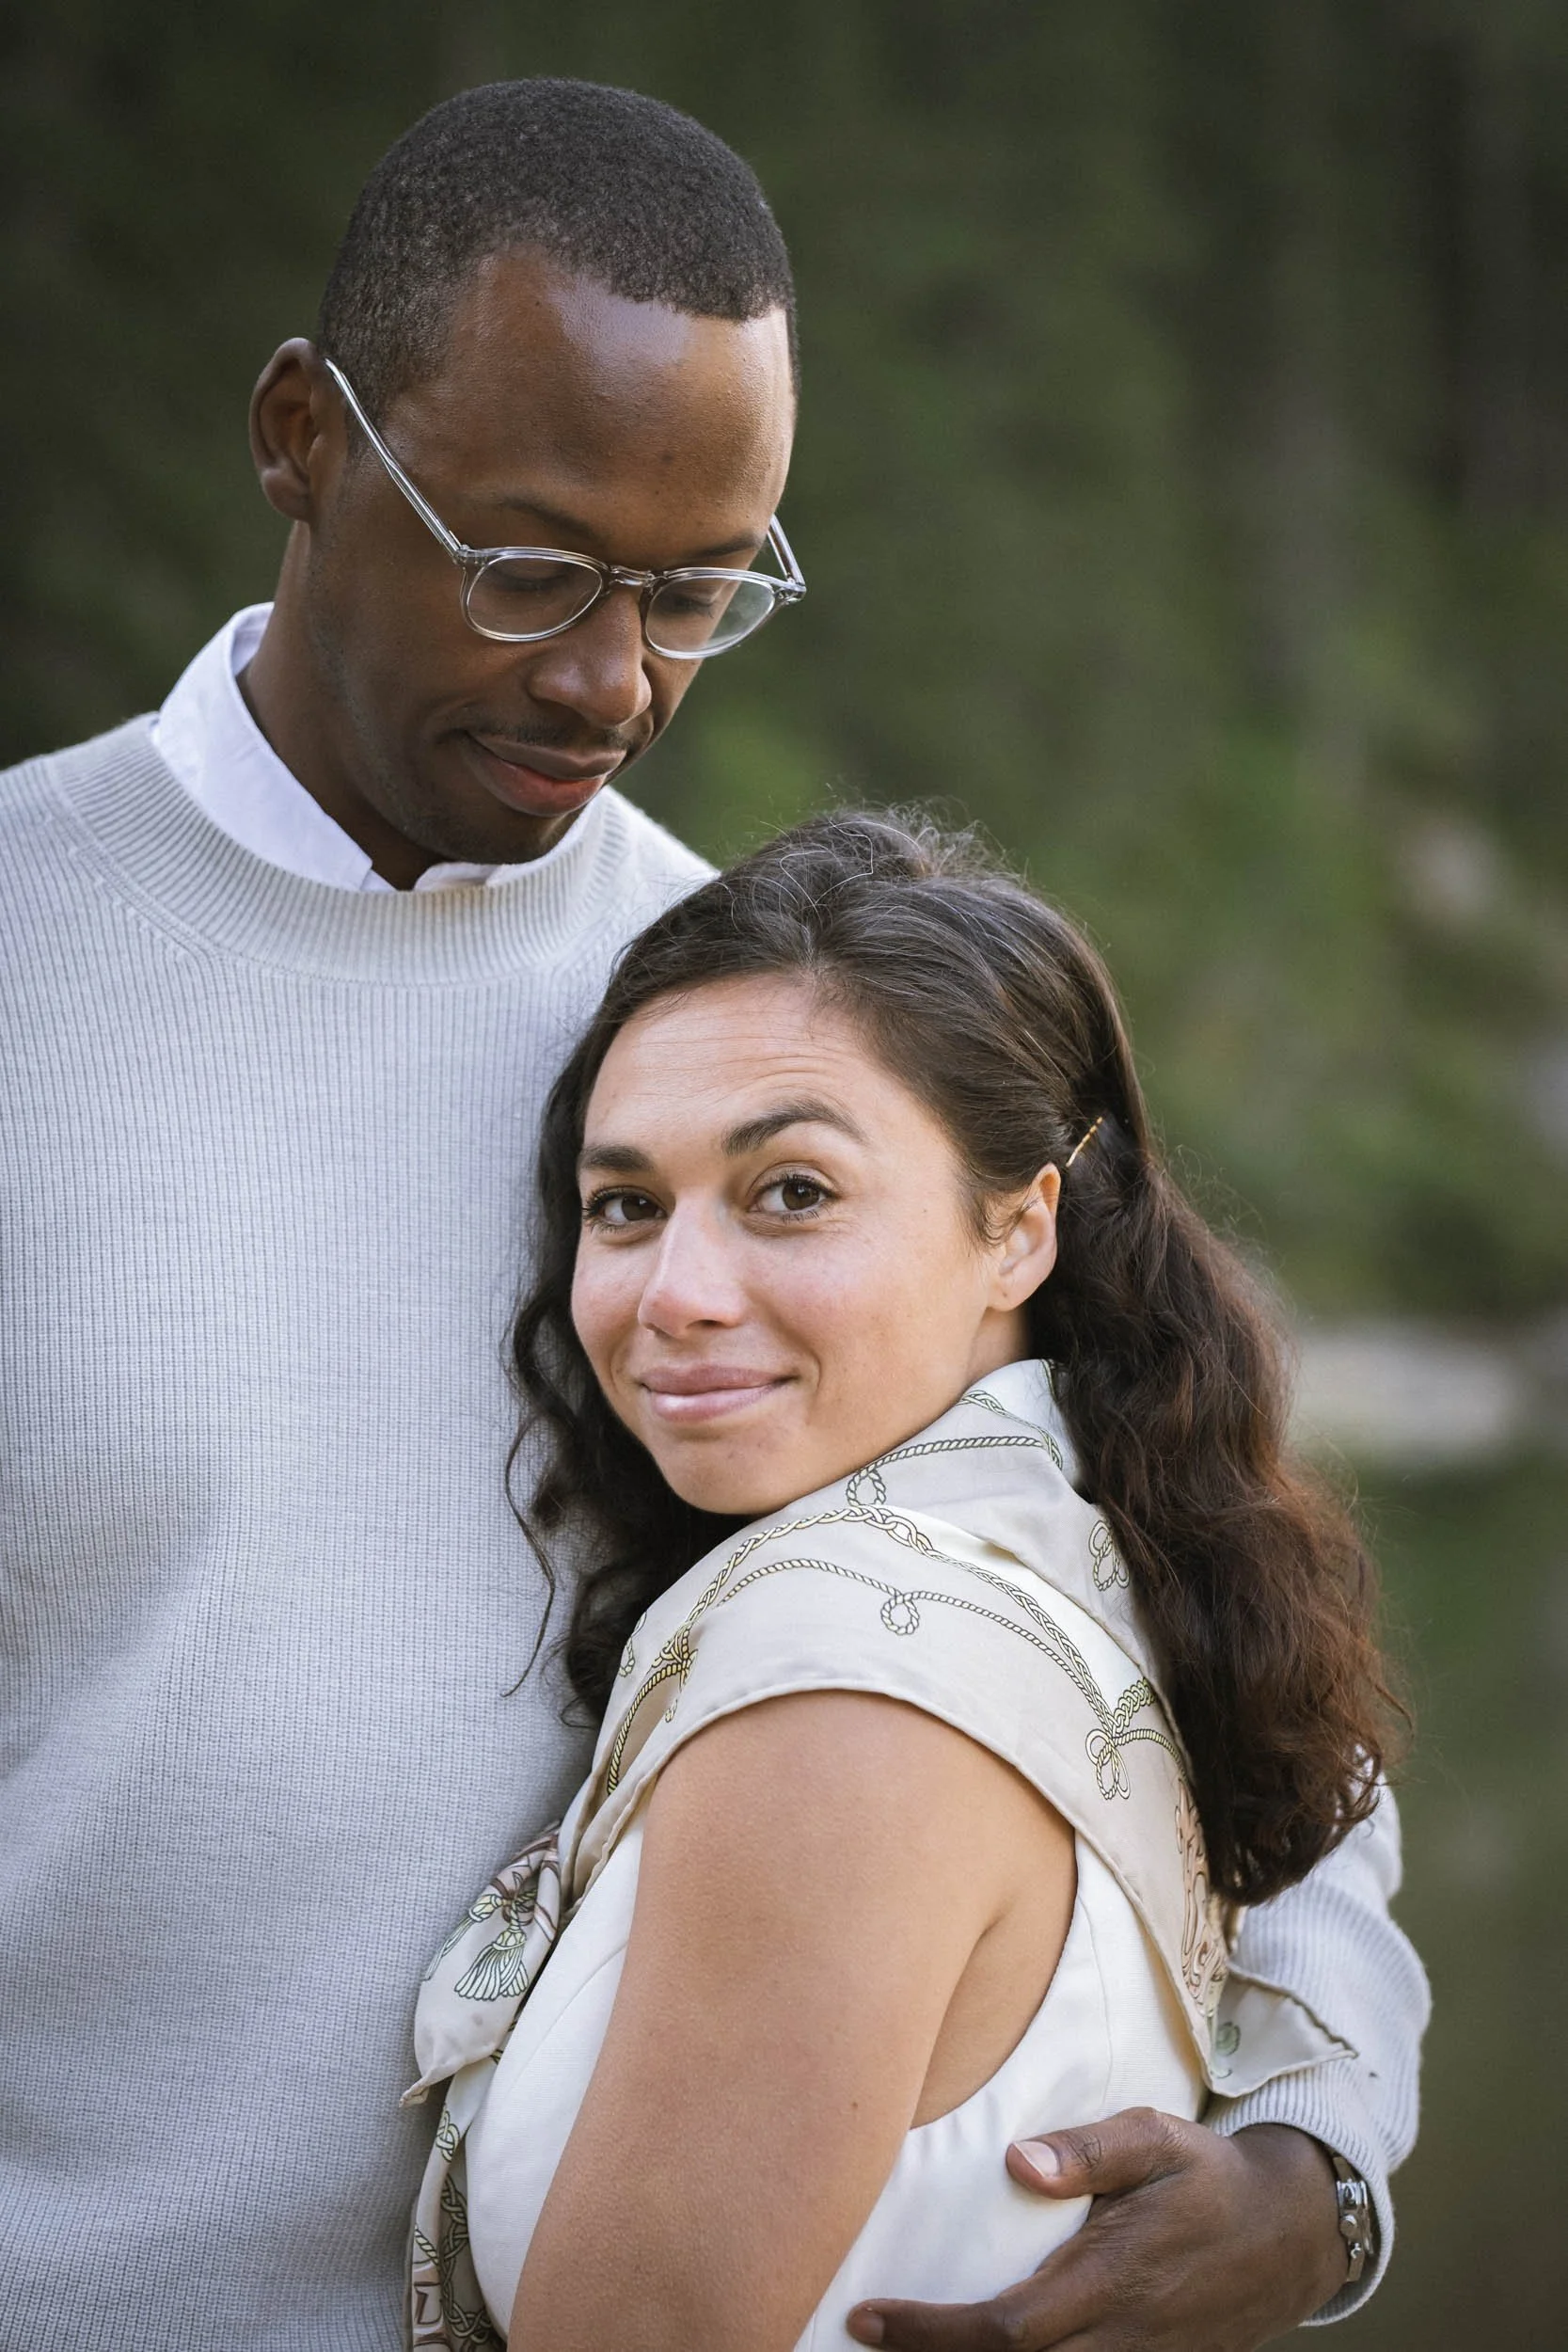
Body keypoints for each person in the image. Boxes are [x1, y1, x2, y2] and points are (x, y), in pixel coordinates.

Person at [0, 76, 1426, 2352]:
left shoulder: (749, 1036)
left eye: (694, 594)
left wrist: (1317, 2153)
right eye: (531, 566)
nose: (612, 680)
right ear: (299, 435)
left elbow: (1201, 1578)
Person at [401, 808, 1402, 2352]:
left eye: (791, 1192)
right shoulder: (1129, 1548)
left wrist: (1322, 2177)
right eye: (624, 1205)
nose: (674, 1296)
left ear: (1017, 1231)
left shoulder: (854, 1677)